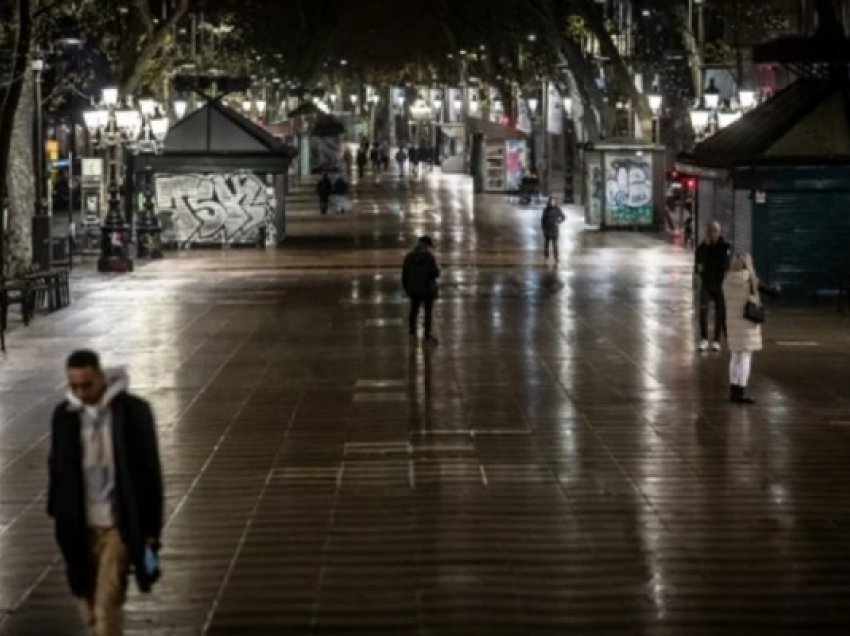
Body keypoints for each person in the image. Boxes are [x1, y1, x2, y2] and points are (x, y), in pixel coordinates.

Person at [48, 350, 163, 636]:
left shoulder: (134, 412)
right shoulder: (64, 417)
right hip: (78, 525)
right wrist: (56, 508)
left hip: (118, 525)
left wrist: (150, 530)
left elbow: (149, 473)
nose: (80, 392)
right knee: (87, 601)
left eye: (86, 385)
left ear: (101, 377)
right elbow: (57, 467)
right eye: (73, 386)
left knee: (106, 603)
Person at [723, 253, 763, 404]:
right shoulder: (750, 281)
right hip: (747, 323)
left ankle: (733, 389)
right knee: (745, 356)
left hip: (732, 322)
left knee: (735, 356)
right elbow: (757, 297)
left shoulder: (726, 280)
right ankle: (742, 389)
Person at [695, 220, 731, 352]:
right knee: (703, 310)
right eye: (711, 231)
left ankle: (716, 339)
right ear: (707, 232)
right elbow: (698, 263)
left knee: (720, 312)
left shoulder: (725, 247)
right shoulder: (703, 247)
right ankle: (704, 339)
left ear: (719, 232)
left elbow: (726, 265)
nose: (713, 234)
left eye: (715, 231)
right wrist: (705, 246)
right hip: (707, 283)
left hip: (720, 284)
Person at [402, 236, 440, 346]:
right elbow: (435, 274)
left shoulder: (409, 257)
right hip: (427, 289)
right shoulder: (429, 258)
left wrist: (407, 288)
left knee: (413, 311)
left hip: (413, 289)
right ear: (427, 246)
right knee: (428, 313)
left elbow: (404, 274)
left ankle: (412, 334)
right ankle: (427, 337)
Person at [540, 196, 566, 264]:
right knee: (546, 245)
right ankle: (546, 256)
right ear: (549, 202)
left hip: (554, 230)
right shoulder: (546, 209)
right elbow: (543, 220)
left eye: (553, 201)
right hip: (547, 229)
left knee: (555, 245)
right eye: (551, 201)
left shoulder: (557, 209)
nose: (552, 203)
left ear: (555, 202)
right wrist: (543, 229)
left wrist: (558, 222)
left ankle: (556, 257)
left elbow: (563, 217)